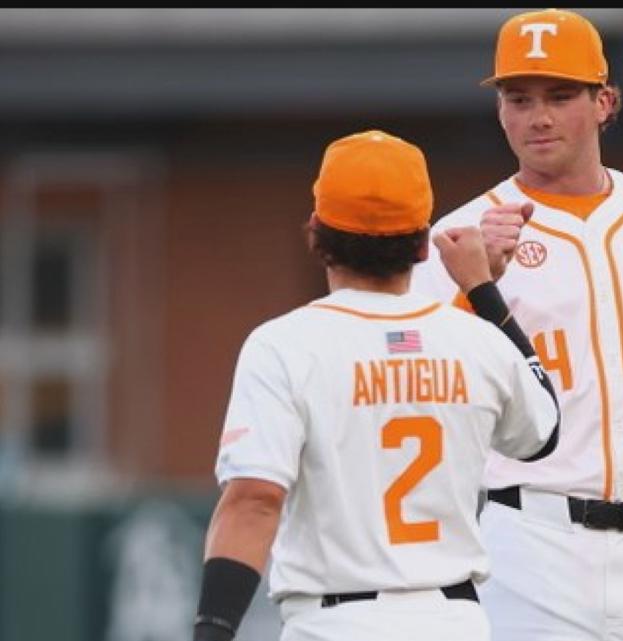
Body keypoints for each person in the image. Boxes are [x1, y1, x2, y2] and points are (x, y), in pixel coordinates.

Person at [411, 9, 623, 640]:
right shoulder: (460, 237)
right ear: (500, 110)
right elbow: (416, 383)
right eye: (519, 98)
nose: (539, 117)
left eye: (560, 95)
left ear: (605, 101)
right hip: (531, 539)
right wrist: (475, 288)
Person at [192, 129, 560, 641]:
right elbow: (544, 430)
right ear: (422, 242)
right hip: (452, 620)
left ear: (317, 232)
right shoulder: (476, 340)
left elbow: (254, 500)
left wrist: (213, 629)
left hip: (334, 623)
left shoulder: (283, 345)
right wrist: (483, 291)